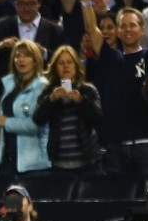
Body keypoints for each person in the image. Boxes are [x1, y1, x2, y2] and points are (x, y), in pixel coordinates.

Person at [33, 45, 103, 173]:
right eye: (61, 63)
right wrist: (51, 100)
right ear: (55, 68)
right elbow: (38, 119)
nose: (66, 66)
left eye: (69, 62)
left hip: (88, 163)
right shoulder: (49, 91)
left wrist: (81, 101)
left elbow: (97, 119)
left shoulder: (88, 90)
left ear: (76, 66)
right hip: (59, 164)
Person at [0, 39, 51, 178]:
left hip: (32, 164)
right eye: (17, 56)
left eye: (26, 56)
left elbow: (35, 125)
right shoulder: (9, 84)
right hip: (7, 160)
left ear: (36, 59)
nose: (21, 60)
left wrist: (6, 123)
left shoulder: (42, 86)